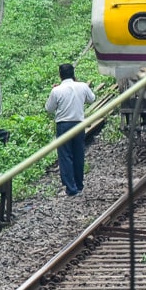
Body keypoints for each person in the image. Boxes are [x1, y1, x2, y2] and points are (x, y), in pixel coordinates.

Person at [45, 64, 95, 197]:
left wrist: (54, 91)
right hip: (79, 124)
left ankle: (70, 188)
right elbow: (92, 99)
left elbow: (49, 108)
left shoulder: (56, 90)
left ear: (60, 75)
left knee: (65, 155)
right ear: (73, 73)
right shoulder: (82, 86)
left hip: (63, 125)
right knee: (78, 154)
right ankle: (79, 185)